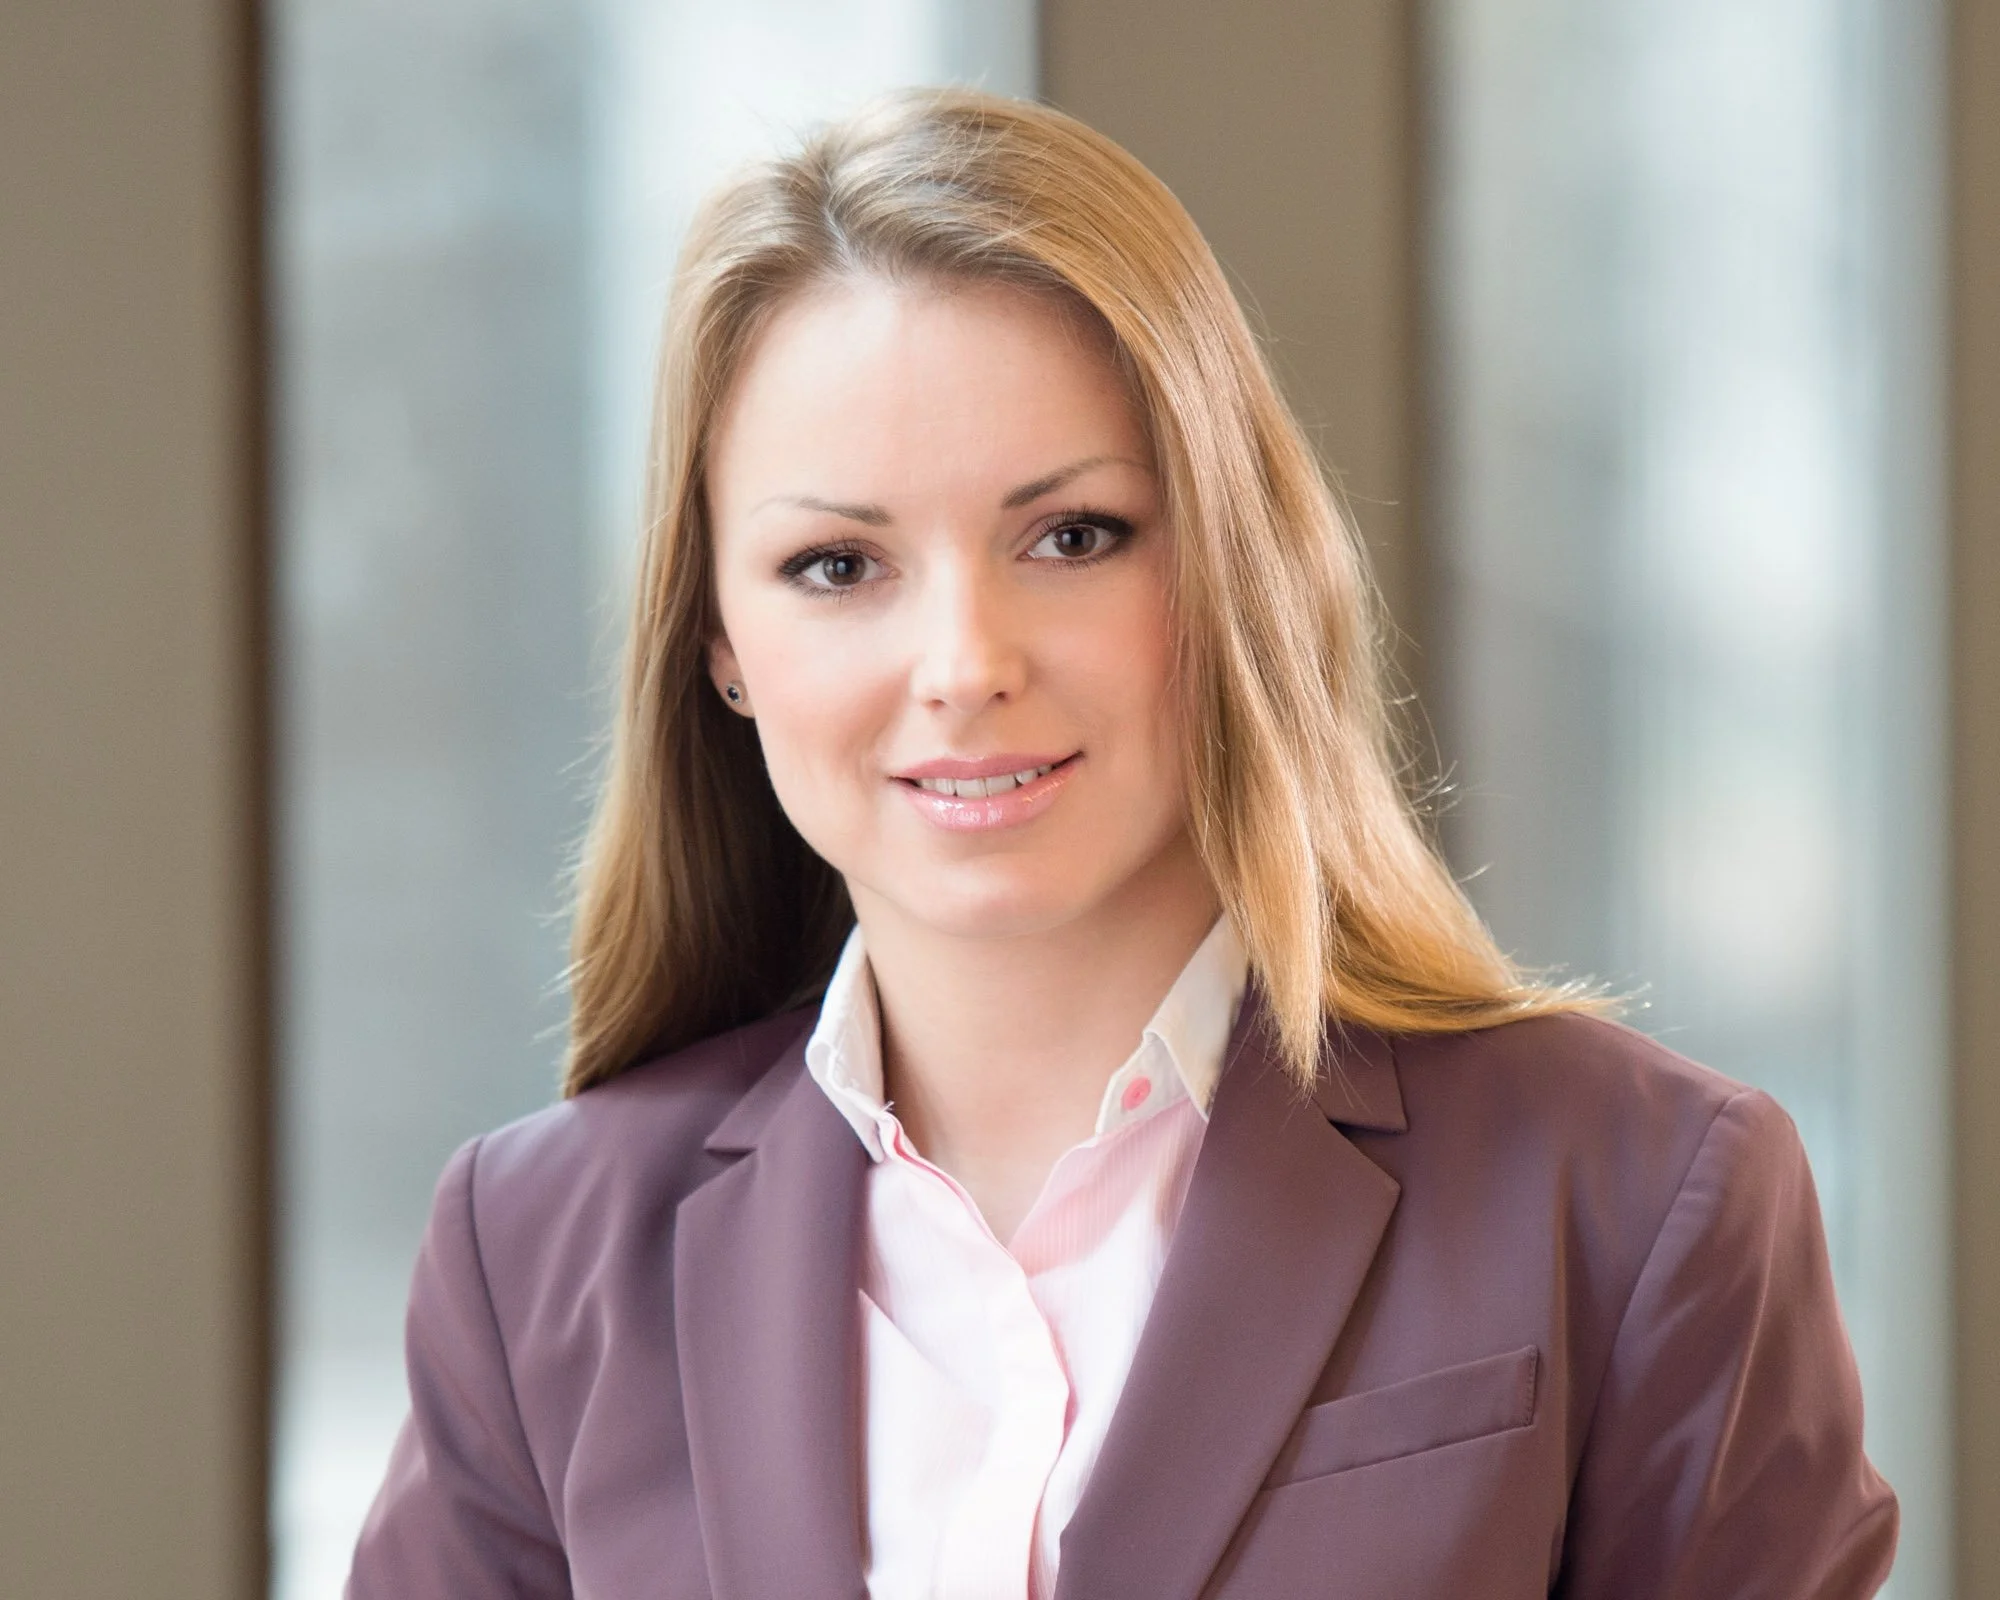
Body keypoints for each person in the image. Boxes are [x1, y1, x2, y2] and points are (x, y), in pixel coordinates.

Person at [347, 89, 1897, 1599]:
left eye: (1071, 537)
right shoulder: (535, 1259)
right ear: (720, 642)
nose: (965, 663)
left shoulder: (1635, 1195)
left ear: (1229, 565)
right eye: (837, 565)